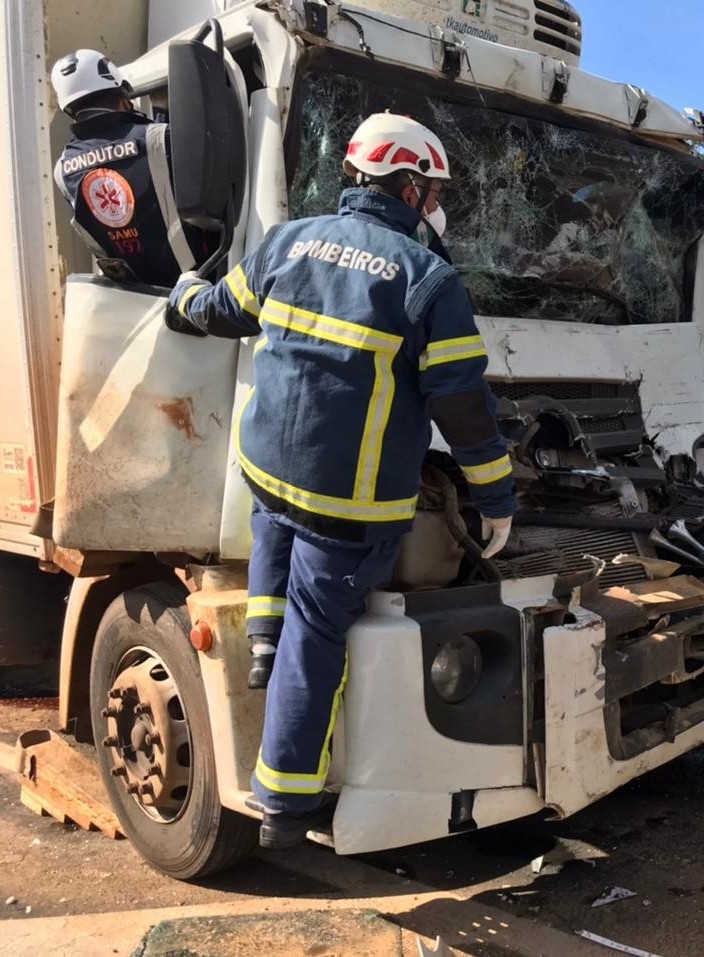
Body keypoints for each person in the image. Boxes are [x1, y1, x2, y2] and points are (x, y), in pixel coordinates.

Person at [164, 113, 518, 847]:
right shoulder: (426, 279)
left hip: (269, 469)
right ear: (411, 185)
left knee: (272, 527)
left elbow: (222, 310)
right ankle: (285, 800)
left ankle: (262, 636)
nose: (436, 206)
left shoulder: (289, 242)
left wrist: (181, 299)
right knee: (317, 634)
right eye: (435, 192)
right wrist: (496, 495)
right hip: (349, 504)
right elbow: (463, 403)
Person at [50, 49, 210, 286]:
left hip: (132, 297)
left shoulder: (63, 169)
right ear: (122, 95)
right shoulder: (159, 137)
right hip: (197, 284)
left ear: (69, 109)